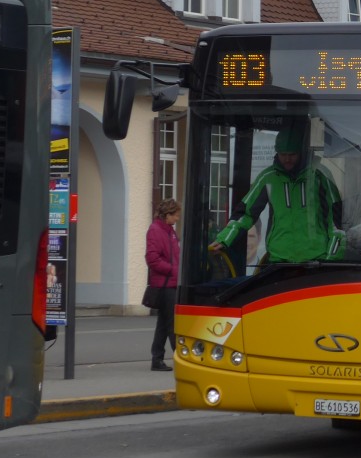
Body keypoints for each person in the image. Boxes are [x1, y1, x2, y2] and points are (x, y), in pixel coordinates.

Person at [210, 126, 344, 265]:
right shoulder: (268, 177)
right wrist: (224, 240)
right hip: (279, 260)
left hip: (316, 261)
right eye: (282, 154)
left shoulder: (319, 175)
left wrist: (331, 259)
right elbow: (245, 213)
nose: (287, 159)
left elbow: (336, 222)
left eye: (292, 154)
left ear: (302, 152)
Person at [146, 198, 180, 371]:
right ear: (167, 215)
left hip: (171, 282)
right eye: (175, 215)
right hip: (165, 284)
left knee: (163, 323)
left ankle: (157, 358)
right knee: (172, 324)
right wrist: (174, 270)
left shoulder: (170, 232)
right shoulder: (155, 230)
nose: (177, 219)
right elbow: (152, 259)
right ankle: (180, 359)